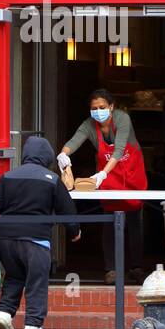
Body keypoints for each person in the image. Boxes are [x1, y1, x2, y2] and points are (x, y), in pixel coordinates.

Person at [0, 136, 80, 329]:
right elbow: (66, 209)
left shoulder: (8, 176)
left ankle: (4, 314)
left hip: (7, 238)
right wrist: (75, 231)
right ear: (47, 156)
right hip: (36, 240)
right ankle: (33, 325)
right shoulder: (51, 179)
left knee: (14, 276)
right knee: (36, 280)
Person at [58, 89, 147, 284]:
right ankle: (111, 269)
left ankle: (136, 266)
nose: (98, 111)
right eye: (94, 109)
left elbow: (119, 149)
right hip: (109, 179)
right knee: (109, 222)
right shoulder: (88, 125)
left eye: (102, 107)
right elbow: (73, 143)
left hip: (131, 175)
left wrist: (102, 174)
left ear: (111, 107)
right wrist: (63, 155)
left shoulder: (122, 119)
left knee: (134, 220)